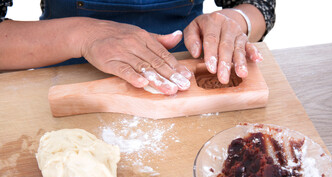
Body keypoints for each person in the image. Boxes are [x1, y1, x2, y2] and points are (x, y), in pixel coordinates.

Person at [0, 0, 275, 95]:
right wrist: (82, 35)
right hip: (66, 77)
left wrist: (232, 22)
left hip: (184, 71)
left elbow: (261, 5)